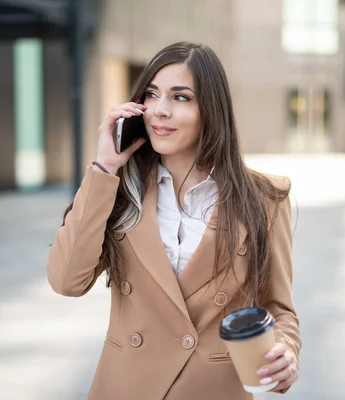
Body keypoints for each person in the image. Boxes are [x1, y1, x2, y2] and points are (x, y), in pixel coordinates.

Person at [46, 42, 301, 399]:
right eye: (152, 95)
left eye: (181, 98)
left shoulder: (264, 199)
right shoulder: (117, 188)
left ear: (210, 110)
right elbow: (66, 280)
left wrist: (285, 351)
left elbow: (280, 309)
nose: (159, 111)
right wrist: (104, 168)